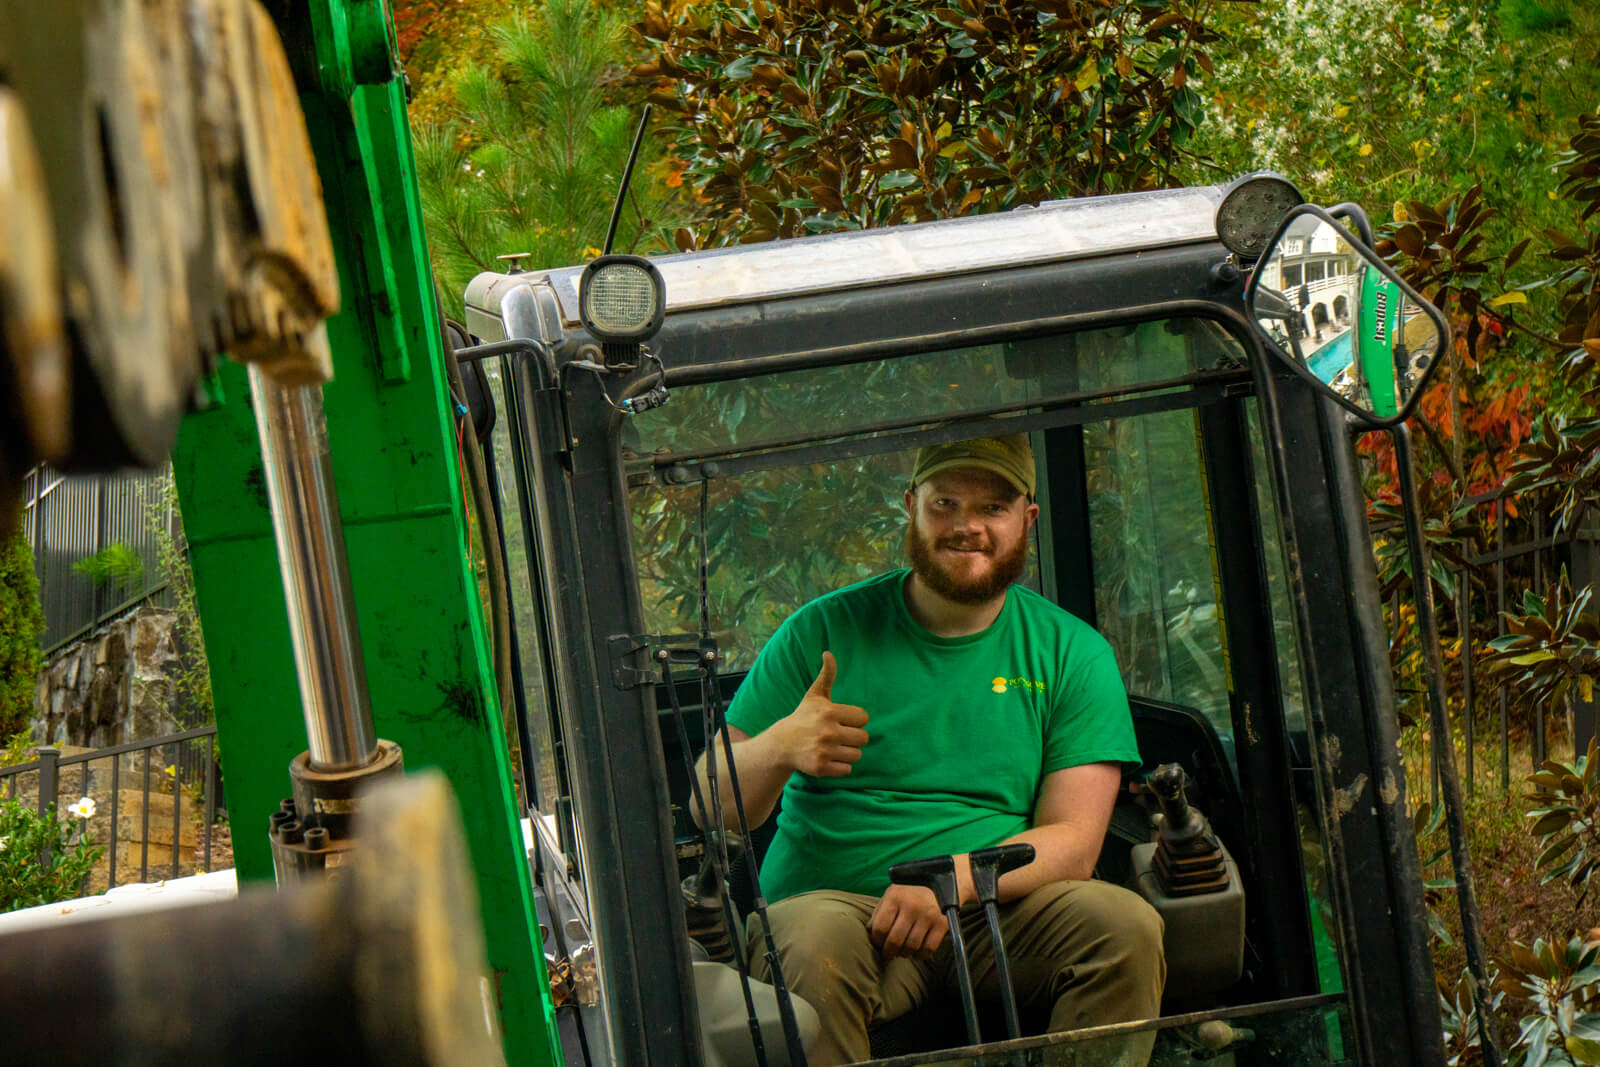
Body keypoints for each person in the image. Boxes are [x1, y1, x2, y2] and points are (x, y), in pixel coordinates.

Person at [694, 434, 1165, 1065]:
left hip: (998, 905)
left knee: (1126, 928)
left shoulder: (1072, 653)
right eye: (945, 503)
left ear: (1026, 519)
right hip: (836, 904)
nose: (967, 526)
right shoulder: (823, 629)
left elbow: (1076, 842)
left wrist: (951, 881)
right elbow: (709, 807)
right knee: (805, 944)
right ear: (911, 506)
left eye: (992, 508)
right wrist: (778, 746)